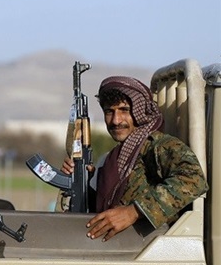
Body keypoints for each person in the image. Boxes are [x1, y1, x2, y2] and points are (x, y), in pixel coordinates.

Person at [61, 76, 208, 242]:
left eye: (124, 110)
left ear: (141, 111)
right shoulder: (112, 157)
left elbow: (193, 179)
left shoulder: (157, 145)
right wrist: (81, 181)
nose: (116, 120)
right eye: (109, 111)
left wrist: (134, 211)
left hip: (151, 251)